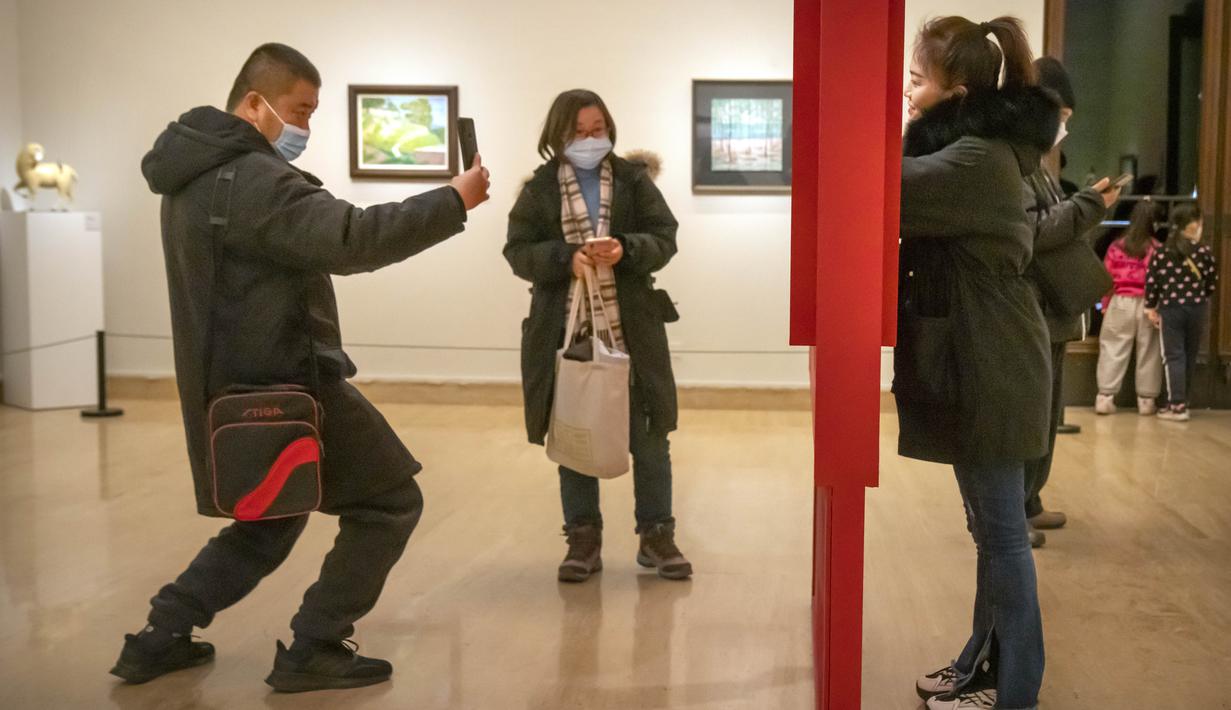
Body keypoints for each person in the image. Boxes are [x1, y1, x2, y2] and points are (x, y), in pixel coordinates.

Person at [111, 43, 491, 692]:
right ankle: (316, 643)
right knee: (390, 503)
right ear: (254, 103)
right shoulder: (253, 179)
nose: (305, 127)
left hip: (233, 384)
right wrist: (452, 201)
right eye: (300, 110)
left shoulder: (193, 176)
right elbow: (351, 238)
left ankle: (159, 636)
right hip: (287, 384)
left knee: (272, 516)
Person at [898, 16, 1057, 710]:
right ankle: (979, 667)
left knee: (1001, 539)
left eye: (915, 80)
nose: (908, 94)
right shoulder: (980, 149)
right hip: (989, 360)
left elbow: (879, 185)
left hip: (995, 367)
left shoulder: (974, 160)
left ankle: (1013, 691)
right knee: (990, 534)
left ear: (955, 90)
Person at [504, 89, 689, 583]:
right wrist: (566, 258)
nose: (590, 141)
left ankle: (657, 535)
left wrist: (625, 248)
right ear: (558, 135)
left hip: (633, 330)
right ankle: (583, 539)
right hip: (565, 332)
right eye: (579, 133)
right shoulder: (539, 189)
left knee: (650, 437)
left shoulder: (632, 180)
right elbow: (517, 251)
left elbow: (665, 237)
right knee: (575, 435)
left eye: (597, 130)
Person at [1020, 56, 1120, 546]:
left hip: (1054, 306)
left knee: (1047, 414)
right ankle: (1015, 512)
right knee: (1029, 415)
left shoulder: (1038, 162)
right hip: (1032, 305)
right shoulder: (1016, 162)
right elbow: (1034, 231)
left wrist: (1085, 206)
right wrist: (1089, 205)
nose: (1063, 128)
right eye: (1060, 117)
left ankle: (1030, 501)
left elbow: (1052, 221)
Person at [1146, 204, 1219, 421]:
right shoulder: (1204, 252)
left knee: (1173, 356)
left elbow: (1153, 282)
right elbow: (1211, 282)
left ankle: (1175, 405)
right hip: (1197, 308)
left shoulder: (1162, 253)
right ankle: (1183, 401)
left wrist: (1150, 307)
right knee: (1190, 354)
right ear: (1193, 225)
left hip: (1171, 308)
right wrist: (1199, 296)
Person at [1096, 199, 1165, 415]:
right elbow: (1161, 280)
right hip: (1148, 302)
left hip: (1120, 301)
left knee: (1113, 347)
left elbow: (1106, 279)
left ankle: (1105, 397)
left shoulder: (1117, 246)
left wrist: (1104, 304)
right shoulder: (1157, 249)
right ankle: (1146, 400)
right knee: (1150, 351)